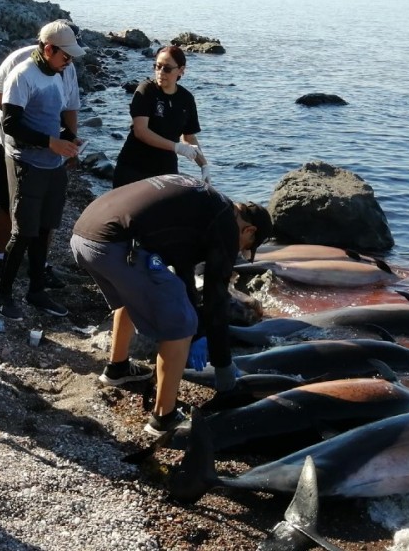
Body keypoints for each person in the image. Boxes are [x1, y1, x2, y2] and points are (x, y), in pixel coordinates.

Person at [70, 174, 272, 435]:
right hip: (112, 246)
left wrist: (201, 331)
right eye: (246, 248)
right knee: (181, 324)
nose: (240, 252)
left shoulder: (204, 203)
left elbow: (184, 271)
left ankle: (117, 368)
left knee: (135, 293)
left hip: (84, 235)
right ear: (249, 230)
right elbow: (216, 297)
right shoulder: (224, 224)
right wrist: (222, 367)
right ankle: (164, 418)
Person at [0, 21, 86, 321]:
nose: (69, 62)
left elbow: (50, 117)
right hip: (25, 163)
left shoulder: (58, 73)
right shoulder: (22, 75)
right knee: (23, 231)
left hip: (52, 163)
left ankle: (36, 291)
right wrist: (50, 143)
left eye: (71, 56)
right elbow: (12, 125)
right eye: (65, 55)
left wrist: (69, 139)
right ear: (48, 49)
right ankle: (2, 296)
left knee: (45, 227)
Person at [112, 45, 209, 189]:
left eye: (167, 68)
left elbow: (189, 138)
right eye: (157, 67)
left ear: (181, 70)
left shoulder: (186, 99)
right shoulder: (146, 90)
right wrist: (176, 147)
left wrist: (203, 165)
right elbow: (141, 131)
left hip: (165, 171)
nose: (161, 72)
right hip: (134, 167)